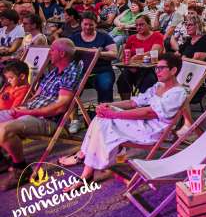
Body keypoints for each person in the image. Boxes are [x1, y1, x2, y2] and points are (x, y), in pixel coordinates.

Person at [56, 53, 188, 191]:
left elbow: (150, 113)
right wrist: (108, 105)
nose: (157, 71)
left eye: (162, 68)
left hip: (153, 130)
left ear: (173, 70)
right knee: (103, 115)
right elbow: (134, 102)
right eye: (156, 68)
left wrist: (114, 113)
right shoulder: (159, 85)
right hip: (144, 122)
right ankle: (87, 164)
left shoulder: (177, 93)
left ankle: (86, 166)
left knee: (105, 120)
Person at [0, 38, 80, 190]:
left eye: (52, 50)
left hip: (48, 120)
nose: (49, 52)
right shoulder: (53, 72)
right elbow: (37, 95)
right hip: (30, 111)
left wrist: (29, 112)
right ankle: (3, 162)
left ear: (62, 54)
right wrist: (21, 108)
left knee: (4, 130)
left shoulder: (70, 73)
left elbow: (60, 108)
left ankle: (20, 168)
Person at [71, 12, 118, 104]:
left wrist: (99, 53)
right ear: (81, 24)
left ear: (96, 24)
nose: (88, 27)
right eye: (85, 24)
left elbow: (114, 54)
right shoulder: (74, 37)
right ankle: (72, 115)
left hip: (101, 70)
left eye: (91, 25)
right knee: (69, 85)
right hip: (80, 71)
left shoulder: (104, 36)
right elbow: (66, 50)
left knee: (105, 85)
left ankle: (104, 112)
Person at [117, 15, 163, 101]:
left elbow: (155, 52)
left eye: (142, 24)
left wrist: (136, 58)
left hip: (150, 68)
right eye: (137, 25)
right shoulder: (132, 38)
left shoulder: (157, 36)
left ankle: (144, 105)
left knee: (148, 81)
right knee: (122, 79)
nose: (139, 27)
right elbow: (124, 57)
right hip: (132, 68)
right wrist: (130, 64)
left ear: (149, 25)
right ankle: (126, 104)